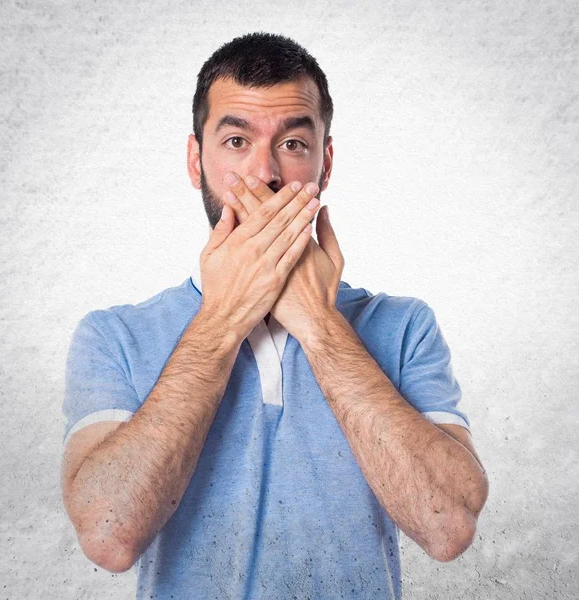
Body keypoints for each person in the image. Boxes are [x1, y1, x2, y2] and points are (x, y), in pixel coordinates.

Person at [60, 32, 489, 600]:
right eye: (236, 140)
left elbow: (448, 527)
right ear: (196, 160)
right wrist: (223, 321)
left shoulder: (406, 327)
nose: (264, 174)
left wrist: (320, 322)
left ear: (324, 163)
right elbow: (109, 536)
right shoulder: (113, 336)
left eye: (292, 143)